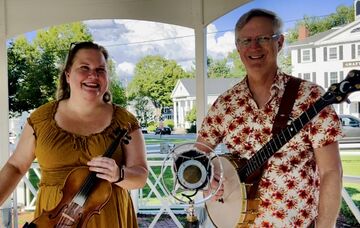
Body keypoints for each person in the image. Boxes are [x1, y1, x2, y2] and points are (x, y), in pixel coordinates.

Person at [196, 9, 343, 228]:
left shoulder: (310, 97)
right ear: (238, 48)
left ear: (280, 42)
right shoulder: (225, 104)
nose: (254, 47)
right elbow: (194, 155)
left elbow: (331, 171)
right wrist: (204, 175)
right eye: (246, 40)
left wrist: (325, 225)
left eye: (263, 38)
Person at [0, 41, 148, 227]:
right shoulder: (41, 119)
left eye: (101, 70)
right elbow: (16, 166)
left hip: (106, 219)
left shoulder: (125, 121)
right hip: (53, 221)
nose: (93, 75)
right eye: (84, 67)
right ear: (68, 75)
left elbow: (141, 176)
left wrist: (119, 174)